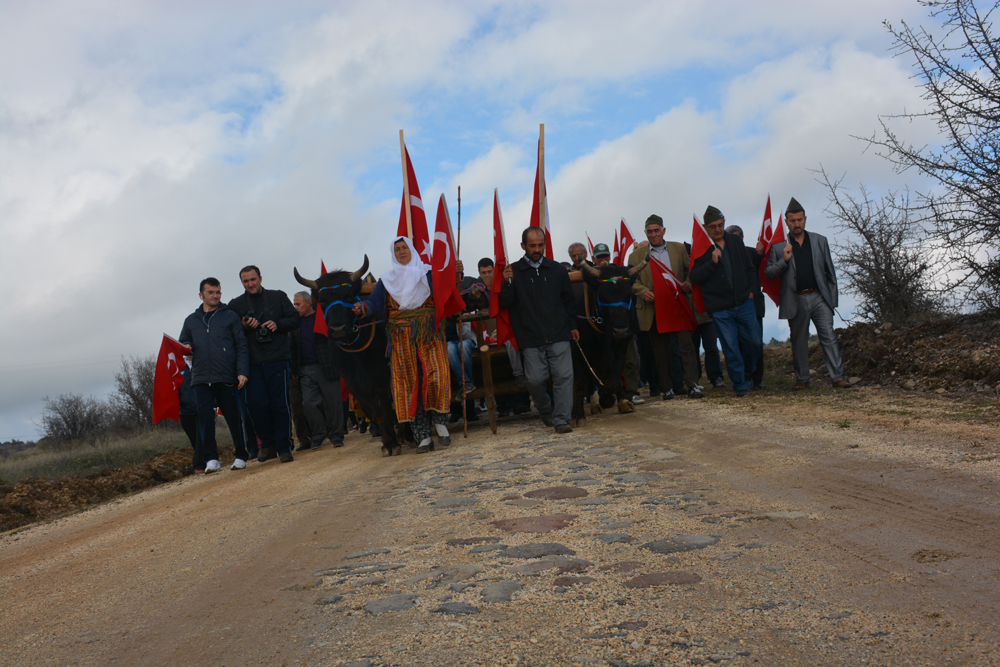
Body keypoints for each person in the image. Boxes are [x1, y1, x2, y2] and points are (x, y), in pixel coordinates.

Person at [356, 237, 456, 452]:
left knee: (437, 375)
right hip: (401, 337)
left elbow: (445, 292)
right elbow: (374, 303)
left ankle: (441, 425)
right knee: (409, 384)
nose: (401, 251)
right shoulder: (386, 280)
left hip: (429, 332)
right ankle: (422, 436)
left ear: (411, 250)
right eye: (397, 249)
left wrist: (454, 275)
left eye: (404, 248)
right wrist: (363, 308)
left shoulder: (427, 272)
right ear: (393, 254)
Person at [500, 227, 578, 433]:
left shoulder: (557, 270)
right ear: (523, 246)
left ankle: (562, 420)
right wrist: (506, 282)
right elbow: (505, 302)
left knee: (564, 377)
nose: (537, 249)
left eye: (540, 245)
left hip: (559, 333)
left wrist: (573, 326)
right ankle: (544, 409)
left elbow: (569, 301)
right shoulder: (513, 271)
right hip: (530, 336)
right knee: (534, 380)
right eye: (532, 245)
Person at [764, 197, 848, 389]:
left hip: (819, 297)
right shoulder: (778, 247)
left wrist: (831, 301)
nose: (797, 224)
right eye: (792, 221)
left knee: (828, 336)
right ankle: (802, 379)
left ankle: (838, 378)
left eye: (800, 220)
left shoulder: (820, 241)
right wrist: (783, 260)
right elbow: (768, 274)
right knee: (799, 340)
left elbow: (830, 273)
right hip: (796, 299)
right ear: (786, 222)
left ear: (805, 219)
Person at [228, 265, 300, 463]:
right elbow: (230, 332)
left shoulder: (278, 297)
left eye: (253, 279)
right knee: (257, 405)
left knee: (280, 405)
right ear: (242, 282)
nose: (250, 284)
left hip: (277, 359)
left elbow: (295, 319)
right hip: (252, 363)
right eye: (246, 281)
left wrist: (277, 324)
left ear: (260, 277)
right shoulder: (235, 305)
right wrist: (243, 326)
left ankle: (284, 446)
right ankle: (268, 442)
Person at [628, 215, 705, 399]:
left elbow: (690, 271)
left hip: (678, 305)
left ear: (664, 230)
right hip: (653, 309)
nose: (653, 234)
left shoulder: (678, 249)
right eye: (649, 231)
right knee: (660, 351)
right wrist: (642, 291)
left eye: (656, 230)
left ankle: (693, 385)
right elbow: (631, 280)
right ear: (645, 233)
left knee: (686, 346)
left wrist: (687, 282)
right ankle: (667, 388)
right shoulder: (636, 255)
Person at [179, 278, 251, 473]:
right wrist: (186, 348)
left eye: (218, 292)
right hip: (200, 378)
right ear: (201, 295)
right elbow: (182, 344)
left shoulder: (230, 316)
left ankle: (240, 456)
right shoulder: (191, 320)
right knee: (204, 419)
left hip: (226, 376)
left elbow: (241, 345)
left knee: (233, 418)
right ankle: (211, 459)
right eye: (211, 292)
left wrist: (242, 371)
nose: (215, 295)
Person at [689, 206, 762, 397]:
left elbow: (750, 268)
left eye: (720, 225)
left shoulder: (736, 241)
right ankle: (740, 385)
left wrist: (752, 292)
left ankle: (745, 372)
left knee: (754, 342)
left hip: (744, 302)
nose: (717, 229)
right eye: (713, 226)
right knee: (730, 347)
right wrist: (712, 263)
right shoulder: (701, 249)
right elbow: (694, 277)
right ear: (705, 227)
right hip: (720, 308)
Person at [291, 291, 345, 450]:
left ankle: (336, 436)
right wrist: (294, 368)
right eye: (294, 304)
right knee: (308, 403)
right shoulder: (296, 323)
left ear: (308, 303)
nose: (296, 307)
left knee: (333, 403)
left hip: (326, 367)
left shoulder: (324, 318)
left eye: (298, 304)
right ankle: (318, 435)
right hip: (305, 370)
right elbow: (293, 346)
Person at [727, 224, 767, 390]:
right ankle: (744, 378)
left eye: (738, 238)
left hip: (754, 306)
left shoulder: (752, 252)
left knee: (756, 343)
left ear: (742, 238)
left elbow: (764, 267)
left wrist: (761, 254)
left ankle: (757, 379)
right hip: (734, 307)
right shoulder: (725, 255)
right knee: (740, 345)